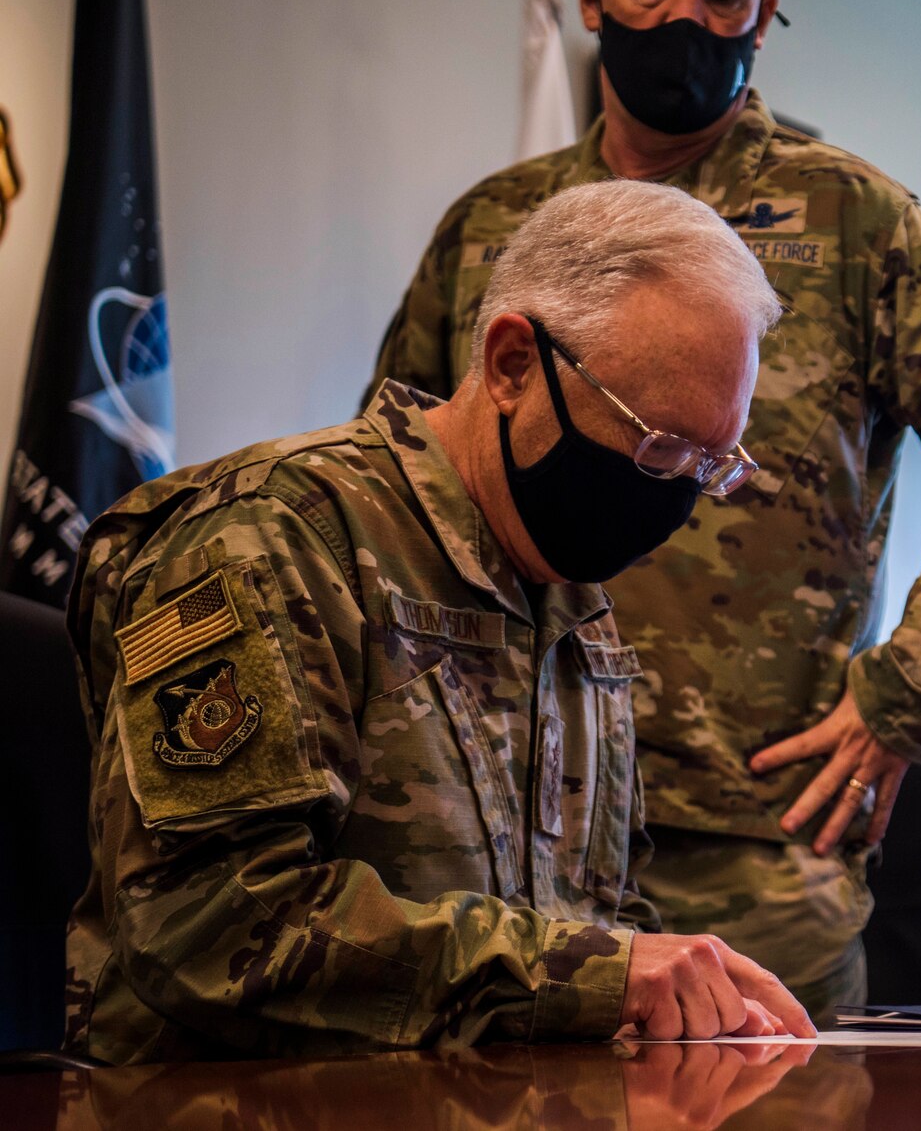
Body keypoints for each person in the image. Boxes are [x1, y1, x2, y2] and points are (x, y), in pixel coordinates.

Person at [366, 0, 921, 1017]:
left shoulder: (853, 222)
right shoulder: (495, 228)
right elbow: (395, 479)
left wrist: (906, 696)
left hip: (757, 838)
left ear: (766, 9)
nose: (684, 17)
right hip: (496, 832)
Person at [65, 181, 815, 1063]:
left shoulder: (574, 605)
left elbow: (599, 918)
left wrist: (687, 1001)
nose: (678, 495)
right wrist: (595, 976)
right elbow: (208, 923)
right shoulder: (270, 539)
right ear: (512, 366)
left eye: (710, 463)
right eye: (658, 448)